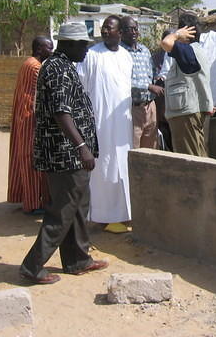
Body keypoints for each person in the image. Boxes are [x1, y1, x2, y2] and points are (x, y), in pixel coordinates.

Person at [20, 22, 107, 285]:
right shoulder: (58, 69)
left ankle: (78, 259)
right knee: (63, 210)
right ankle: (32, 266)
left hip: (71, 153)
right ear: (68, 44)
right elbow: (61, 113)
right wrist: (82, 148)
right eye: (83, 45)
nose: (87, 50)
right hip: (66, 154)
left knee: (79, 207)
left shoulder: (64, 66)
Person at [77, 15, 133, 234]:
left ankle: (121, 214)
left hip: (122, 126)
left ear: (120, 32)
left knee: (122, 167)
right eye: (104, 29)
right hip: (100, 124)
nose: (105, 31)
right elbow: (81, 88)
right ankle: (102, 215)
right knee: (103, 168)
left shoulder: (126, 56)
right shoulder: (91, 55)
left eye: (110, 28)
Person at [7, 36, 53, 214]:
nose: (52, 50)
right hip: (30, 118)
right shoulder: (35, 67)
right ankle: (33, 203)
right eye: (49, 47)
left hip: (23, 117)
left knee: (26, 158)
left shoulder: (27, 63)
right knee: (33, 159)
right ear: (40, 49)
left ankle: (29, 199)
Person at [161, 12, 213, 156]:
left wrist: (177, 34)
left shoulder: (189, 51)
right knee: (197, 155)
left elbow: (166, 43)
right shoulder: (192, 51)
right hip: (187, 113)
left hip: (187, 115)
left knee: (191, 161)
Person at [119, 16, 162, 149]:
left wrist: (159, 79)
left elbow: (152, 74)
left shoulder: (145, 50)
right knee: (134, 149)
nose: (133, 32)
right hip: (132, 108)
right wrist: (148, 86)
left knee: (151, 149)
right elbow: (122, 81)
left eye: (135, 29)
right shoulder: (119, 53)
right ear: (121, 32)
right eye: (129, 29)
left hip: (150, 106)